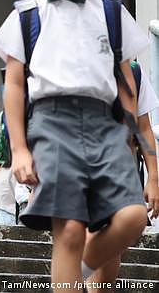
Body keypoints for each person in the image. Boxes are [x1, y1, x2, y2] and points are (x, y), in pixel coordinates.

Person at [0, 0, 149, 288]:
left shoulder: (110, 8)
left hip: (106, 122)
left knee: (132, 216)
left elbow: (126, 80)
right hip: (51, 122)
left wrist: (135, 140)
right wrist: (20, 149)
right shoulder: (27, 13)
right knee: (69, 229)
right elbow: (14, 85)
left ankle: (81, 269)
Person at [85, 62, 159, 290]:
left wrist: (153, 178)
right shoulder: (72, 60)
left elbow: (144, 128)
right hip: (83, 165)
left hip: (123, 170)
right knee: (91, 231)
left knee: (114, 243)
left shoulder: (133, 71)